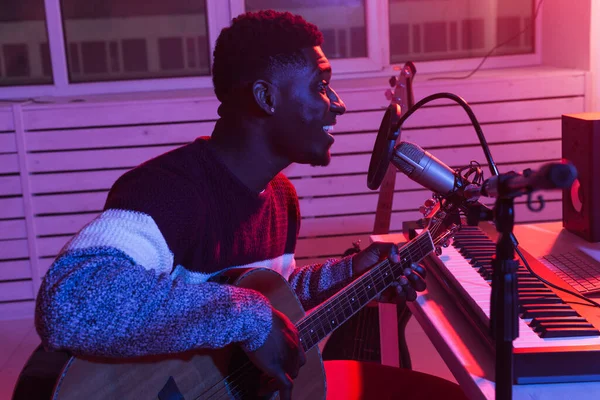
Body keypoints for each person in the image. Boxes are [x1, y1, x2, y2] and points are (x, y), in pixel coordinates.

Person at [16, 10, 467, 400]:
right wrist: (247, 318)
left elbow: (271, 296)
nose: (338, 105)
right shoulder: (168, 191)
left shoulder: (281, 197)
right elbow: (71, 302)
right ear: (266, 97)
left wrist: (350, 274)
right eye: (321, 86)